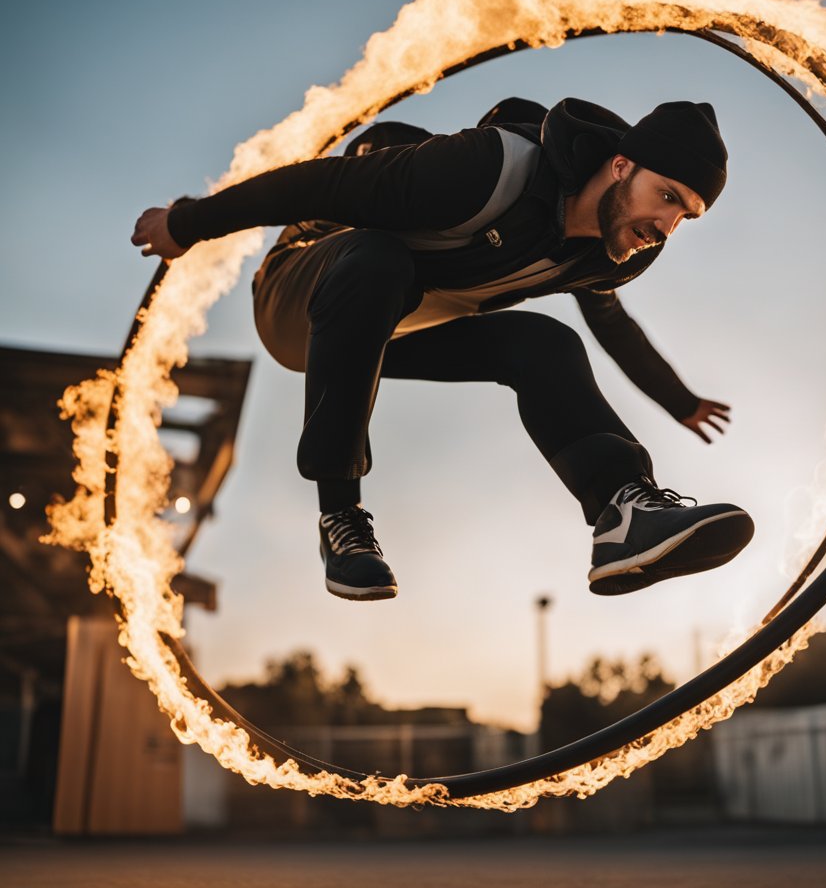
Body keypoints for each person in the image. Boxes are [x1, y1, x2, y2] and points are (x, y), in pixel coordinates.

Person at [131, 96, 753, 601]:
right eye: (667, 197)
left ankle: (623, 515)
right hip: (305, 300)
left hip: (404, 326)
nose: (666, 228)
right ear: (621, 166)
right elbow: (316, 184)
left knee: (547, 344)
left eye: (686, 216)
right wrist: (188, 224)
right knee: (379, 258)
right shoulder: (482, 170)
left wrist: (681, 401)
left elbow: (610, 325)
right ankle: (340, 518)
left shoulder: (616, 252)